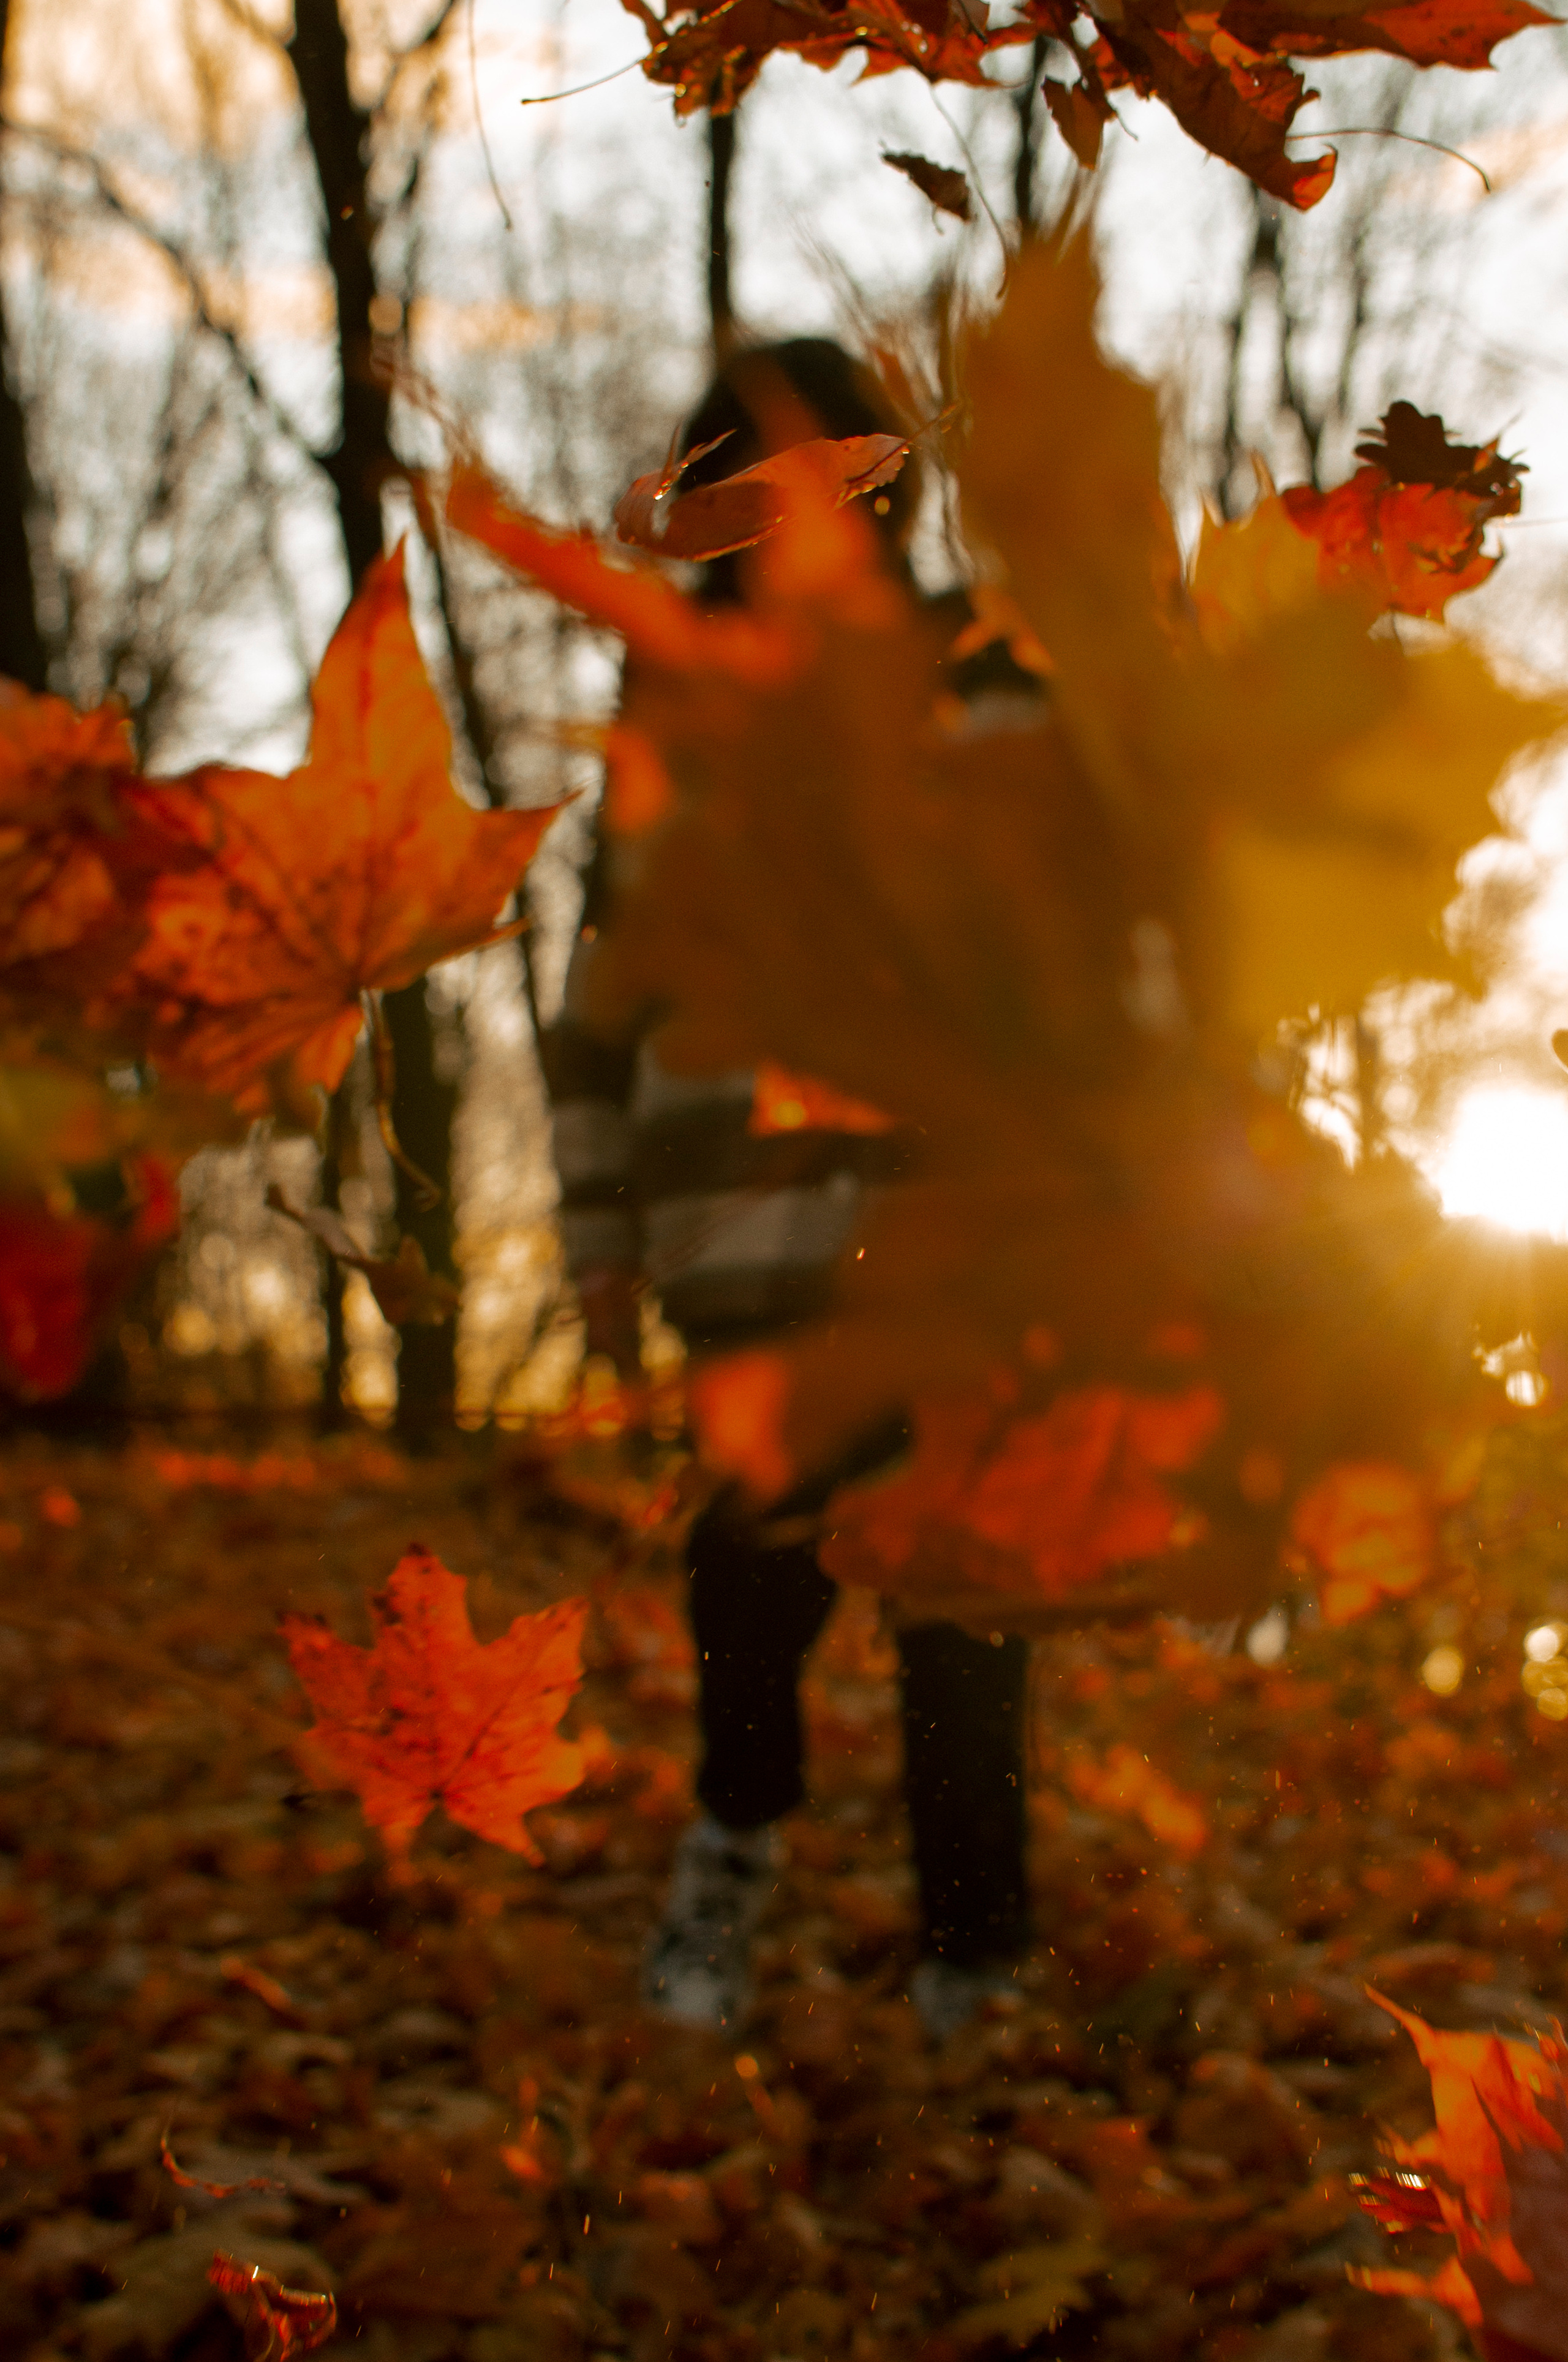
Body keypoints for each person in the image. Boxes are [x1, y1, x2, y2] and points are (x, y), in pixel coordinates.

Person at [541, 341, 1034, 2040]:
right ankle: (732, 1860)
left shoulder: (973, 670)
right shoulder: (670, 719)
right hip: (733, 1237)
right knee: (749, 1589)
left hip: (942, 1236)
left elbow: (1056, 935)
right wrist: (600, 1237)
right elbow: (600, 1010)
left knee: (962, 1598)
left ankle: (978, 1950)